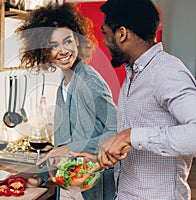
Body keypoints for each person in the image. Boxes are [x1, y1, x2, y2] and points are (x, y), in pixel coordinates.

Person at [72, 0, 196, 199]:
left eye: (105, 33)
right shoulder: (134, 73)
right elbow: (138, 141)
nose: (102, 41)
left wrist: (130, 136)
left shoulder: (166, 72)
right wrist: (99, 157)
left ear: (121, 33)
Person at [16, 3, 117, 200]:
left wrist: (71, 149)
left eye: (67, 41)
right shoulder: (65, 82)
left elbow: (117, 131)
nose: (63, 51)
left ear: (78, 42)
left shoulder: (88, 81)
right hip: (69, 186)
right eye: (54, 46)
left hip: (92, 186)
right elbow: (63, 148)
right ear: (44, 51)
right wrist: (42, 177)